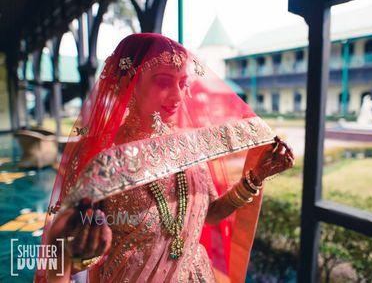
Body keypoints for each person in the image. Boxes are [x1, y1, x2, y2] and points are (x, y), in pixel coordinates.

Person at [36, 33, 295, 283]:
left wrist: (255, 178)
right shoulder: (101, 154)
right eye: (163, 81)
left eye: (183, 84)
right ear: (127, 82)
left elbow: (211, 215)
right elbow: (61, 251)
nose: (178, 96)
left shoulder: (188, 146)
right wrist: (79, 252)